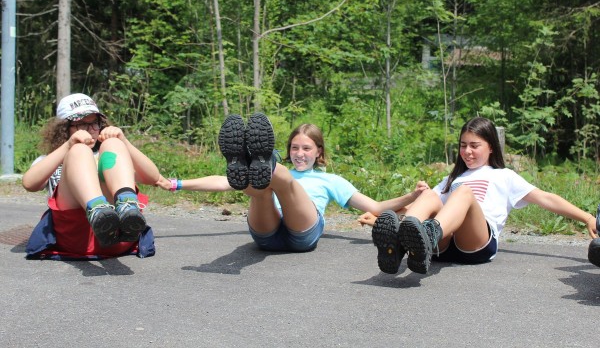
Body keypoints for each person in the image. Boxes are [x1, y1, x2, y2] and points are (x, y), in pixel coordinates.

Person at [359, 117, 598, 275]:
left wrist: (587, 218)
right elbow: (429, 207)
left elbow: (547, 198)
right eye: (463, 145)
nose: (467, 151)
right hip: (442, 246)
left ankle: (424, 237)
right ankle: (401, 242)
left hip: (475, 244)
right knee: (430, 195)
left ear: (491, 147)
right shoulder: (453, 178)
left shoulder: (504, 176)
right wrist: (384, 218)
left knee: (463, 193)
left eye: (474, 145)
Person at [156, 113, 426, 252]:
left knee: (281, 179)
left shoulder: (330, 180)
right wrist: (177, 184)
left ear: (319, 151)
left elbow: (375, 206)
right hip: (266, 234)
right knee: (259, 190)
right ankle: (246, 161)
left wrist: (412, 196)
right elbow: (223, 181)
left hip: (303, 233)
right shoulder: (269, 175)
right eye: (295, 148)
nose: (299, 153)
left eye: (306, 148)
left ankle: (261, 160)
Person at [22, 93, 161, 259]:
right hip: (75, 238)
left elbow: (153, 178)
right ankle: (97, 211)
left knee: (113, 143)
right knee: (79, 150)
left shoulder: (109, 154)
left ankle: (127, 207)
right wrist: (68, 146)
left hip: (120, 236)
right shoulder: (53, 158)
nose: (91, 130)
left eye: (95, 123)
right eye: (81, 124)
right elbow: (29, 184)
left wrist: (124, 141)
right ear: (64, 128)